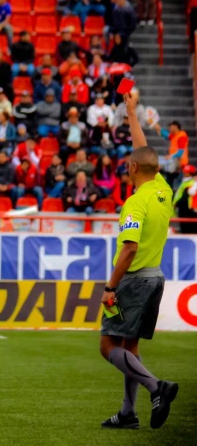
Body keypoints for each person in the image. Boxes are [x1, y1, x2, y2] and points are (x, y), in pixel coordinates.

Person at [99, 90, 178, 430]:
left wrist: (109, 286)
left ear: (131, 167)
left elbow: (128, 250)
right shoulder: (163, 189)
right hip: (157, 278)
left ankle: (155, 387)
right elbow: (144, 149)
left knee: (108, 347)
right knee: (129, 346)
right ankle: (128, 413)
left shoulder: (134, 202)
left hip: (133, 280)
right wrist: (132, 113)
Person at [174, 165, 197, 234]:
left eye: (186, 172)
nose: (184, 173)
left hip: (189, 209)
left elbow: (190, 193)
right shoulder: (185, 182)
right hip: (183, 209)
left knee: (188, 230)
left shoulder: (192, 183)